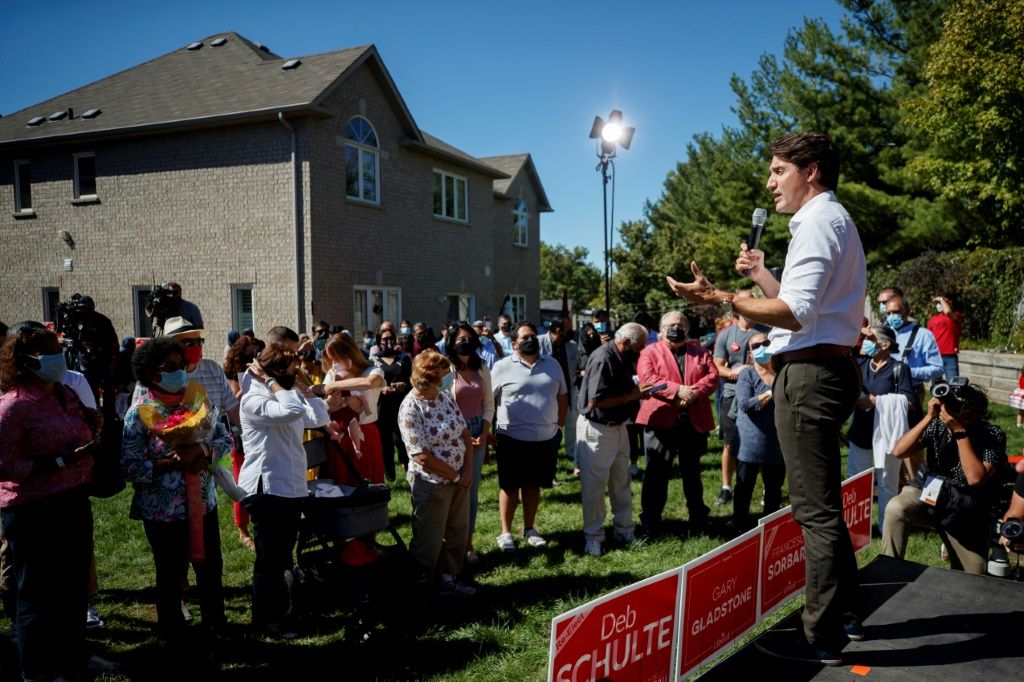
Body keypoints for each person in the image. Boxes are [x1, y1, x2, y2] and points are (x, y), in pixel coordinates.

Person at [668, 132, 866, 665]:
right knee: (823, 504)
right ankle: (847, 612)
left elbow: (795, 313)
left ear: (813, 171)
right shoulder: (829, 220)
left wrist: (721, 298)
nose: (770, 181)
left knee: (814, 510)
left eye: (779, 170)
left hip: (811, 376)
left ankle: (821, 634)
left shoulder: (819, 222)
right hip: (822, 367)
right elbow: (807, 305)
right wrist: (758, 277)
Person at [0, 324, 114, 680]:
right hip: (33, 509)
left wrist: (91, 428)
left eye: (58, 349)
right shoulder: (12, 406)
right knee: (37, 594)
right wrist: (59, 461)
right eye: (50, 351)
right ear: (27, 359)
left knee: (71, 589)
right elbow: (4, 465)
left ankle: (73, 658)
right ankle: (37, 670)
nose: (58, 357)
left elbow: (77, 432)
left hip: (72, 501)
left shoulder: (63, 393)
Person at [122, 336, 231, 641]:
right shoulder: (139, 414)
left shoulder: (199, 401)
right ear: (150, 373)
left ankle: (215, 625)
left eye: (181, 365)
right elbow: (129, 467)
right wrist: (170, 462)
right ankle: (173, 633)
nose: (179, 372)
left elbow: (224, 439)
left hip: (202, 503)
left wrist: (203, 453)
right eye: (170, 367)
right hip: (163, 513)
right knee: (169, 575)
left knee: (211, 570)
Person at [239, 343, 330, 638]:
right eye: (290, 370)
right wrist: (270, 382)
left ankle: (282, 615)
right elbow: (291, 410)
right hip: (266, 488)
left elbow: (319, 418)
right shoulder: (254, 399)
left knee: (282, 557)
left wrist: (304, 386)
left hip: (290, 487)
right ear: (272, 372)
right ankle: (266, 623)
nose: (295, 373)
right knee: (270, 560)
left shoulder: (285, 394)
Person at [882, 382, 1006, 574]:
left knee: (975, 574)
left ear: (974, 413)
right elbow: (899, 451)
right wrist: (929, 417)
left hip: (964, 509)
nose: (952, 411)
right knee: (896, 507)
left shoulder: (991, 435)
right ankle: (888, 569)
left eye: (959, 407)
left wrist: (959, 432)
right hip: (928, 493)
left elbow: (975, 478)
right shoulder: (938, 426)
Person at [398, 350, 476, 596]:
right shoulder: (410, 408)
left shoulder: (444, 397)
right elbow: (420, 455)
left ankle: (449, 578)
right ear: (431, 377)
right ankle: (422, 589)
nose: (447, 376)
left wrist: (467, 470)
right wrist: (455, 475)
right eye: (443, 372)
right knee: (429, 540)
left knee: (457, 531)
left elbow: (464, 433)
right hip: (432, 484)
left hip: (459, 479)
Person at [635, 311, 719, 534]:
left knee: (692, 473)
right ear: (661, 330)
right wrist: (677, 390)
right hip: (661, 421)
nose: (676, 328)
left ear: (687, 329)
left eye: (680, 325)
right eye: (671, 325)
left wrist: (694, 393)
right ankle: (651, 520)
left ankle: (698, 518)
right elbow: (648, 380)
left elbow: (712, 377)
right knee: (656, 474)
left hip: (692, 422)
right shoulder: (649, 352)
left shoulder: (700, 352)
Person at [490, 321, 568, 552]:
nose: (530, 340)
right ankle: (505, 532)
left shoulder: (552, 364)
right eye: (524, 337)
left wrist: (560, 425)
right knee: (510, 486)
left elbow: (563, 395)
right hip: (511, 437)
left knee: (533, 485)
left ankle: (530, 528)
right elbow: (488, 401)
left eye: (532, 336)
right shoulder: (502, 366)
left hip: (545, 437)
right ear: (514, 344)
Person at [575, 323, 651, 557]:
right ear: (626, 342)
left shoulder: (621, 356)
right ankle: (594, 536)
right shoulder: (602, 358)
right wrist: (633, 395)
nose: (641, 351)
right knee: (594, 486)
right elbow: (595, 401)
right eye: (639, 347)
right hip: (598, 428)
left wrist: (635, 392)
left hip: (618, 426)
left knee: (621, 481)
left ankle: (624, 528)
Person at [846, 325, 915, 534]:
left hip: (886, 437)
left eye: (871, 338)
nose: (867, 341)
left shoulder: (898, 368)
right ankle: (856, 528)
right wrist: (858, 334)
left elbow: (910, 400)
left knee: (887, 484)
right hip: (860, 434)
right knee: (857, 483)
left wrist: (877, 401)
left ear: (885, 344)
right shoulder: (860, 363)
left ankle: (887, 529)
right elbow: (842, 355)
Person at [443, 322, 494, 564]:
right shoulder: (446, 370)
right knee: (452, 486)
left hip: (477, 431)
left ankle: (468, 542)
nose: (466, 342)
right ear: (452, 343)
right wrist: (461, 433)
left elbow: (489, 403)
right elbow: (442, 405)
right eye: (461, 339)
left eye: (469, 338)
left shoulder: (482, 367)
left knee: (470, 489)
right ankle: (449, 540)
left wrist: (484, 433)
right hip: (451, 433)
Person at [731, 332, 785, 531]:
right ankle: (740, 528)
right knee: (744, 487)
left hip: (778, 442)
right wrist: (771, 393)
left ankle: (770, 528)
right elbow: (746, 405)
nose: (762, 347)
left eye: (766, 343)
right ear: (750, 354)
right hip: (751, 443)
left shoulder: (782, 372)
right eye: (756, 346)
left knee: (774, 489)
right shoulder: (747, 375)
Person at [712, 289, 758, 507]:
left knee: (761, 441)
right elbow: (717, 366)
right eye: (746, 302)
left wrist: (749, 369)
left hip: (759, 396)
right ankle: (726, 487)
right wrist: (732, 373)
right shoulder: (727, 335)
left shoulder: (764, 331)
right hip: (731, 395)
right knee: (731, 443)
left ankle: (766, 490)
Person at [321, 333, 386, 484]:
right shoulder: (333, 373)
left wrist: (333, 386)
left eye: (336, 359)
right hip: (341, 433)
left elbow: (370, 382)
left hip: (366, 434)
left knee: (368, 483)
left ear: (348, 355)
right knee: (343, 484)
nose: (333, 363)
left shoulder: (373, 371)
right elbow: (325, 400)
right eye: (331, 359)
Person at [223, 335, 266, 550]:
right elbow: (232, 401)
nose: (256, 355)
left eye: (258, 352)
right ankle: (242, 529)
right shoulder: (232, 373)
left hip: (260, 429)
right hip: (240, 432)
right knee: (242, 481)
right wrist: (248, 381)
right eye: (251, 352)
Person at [883, 294, 944, 410]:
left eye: (896, 312)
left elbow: (938, 368)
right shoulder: (884, 333)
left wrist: (908, 372)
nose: (891, 317)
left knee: (911, 426)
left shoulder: (923, 335)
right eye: (888, 313)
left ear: (907, 310)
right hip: (885, 389)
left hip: (911, 389)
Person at [539, 317, 579, 475]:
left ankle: (571, 452)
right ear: (558, 330)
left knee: (571, 423)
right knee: (549, 429)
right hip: (547, 393)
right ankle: (548, 465)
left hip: (567, 391)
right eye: (568, 329)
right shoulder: (539, 342)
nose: (571, 332)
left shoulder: (572, 345)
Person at [371, 327, 412, 481]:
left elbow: (412, 380)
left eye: (390, 339)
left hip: (401, 405)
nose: (387, 342)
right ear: (378, 342)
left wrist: (404, 385)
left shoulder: (404, 358)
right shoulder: (373, 360)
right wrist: (381, 389)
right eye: (384, 339)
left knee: (402, 440)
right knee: (385, 441)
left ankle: (410, 471)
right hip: (382, 406)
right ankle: (390, 475)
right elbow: (370, 383)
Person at [927, 295, 964, 381]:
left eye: (941, 302)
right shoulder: (933, 319)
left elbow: (947, 311)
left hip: (950, 356)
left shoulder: (956, 315)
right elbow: (928, 337)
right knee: (936, 387)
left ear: (950, 302)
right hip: (935, 356)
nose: (939, 305)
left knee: (954, 385)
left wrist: (941, 299)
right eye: (937, 303)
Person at [1010, 364, 1024, 429]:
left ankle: (1019, 424)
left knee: (1020, 411)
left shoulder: (1021, 377)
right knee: (1021, 412)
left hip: (1021, 396)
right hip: (1023, 396)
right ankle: (1020, 423)